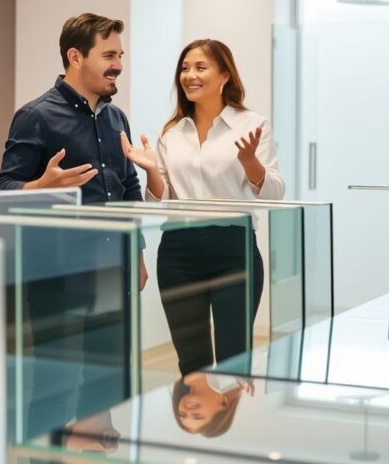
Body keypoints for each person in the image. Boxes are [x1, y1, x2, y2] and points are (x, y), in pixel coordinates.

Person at [0, 13, 146, 440]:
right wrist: (40, 186)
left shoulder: (118, 119)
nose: (118, 64)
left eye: (120, 55)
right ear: (75, 56)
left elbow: (128, 186)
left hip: (111, 271)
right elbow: (4, 187)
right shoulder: (35, 116)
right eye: (109, 55)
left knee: (107, 379)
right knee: (55, 384)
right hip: (57, 274)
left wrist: (136, 251)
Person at [122, 38, 285, 375]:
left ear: (225, 75)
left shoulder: (253, 125)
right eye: (184, 68)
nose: (189, 75)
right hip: (178, 251)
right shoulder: (172, 131)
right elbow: (161, 198)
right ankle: (193, 423)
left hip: (233, 250)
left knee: (233, 361)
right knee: (191, 363)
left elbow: (273, 193)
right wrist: (151, 169)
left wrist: (250, 161)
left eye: (200, 67)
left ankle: (229, 425)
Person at [171, 372, 254, 438]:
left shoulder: (177, 369)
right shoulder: (241, 371)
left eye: (183, 414)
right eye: (197, 415)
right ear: (223, 401)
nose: (188, 411)